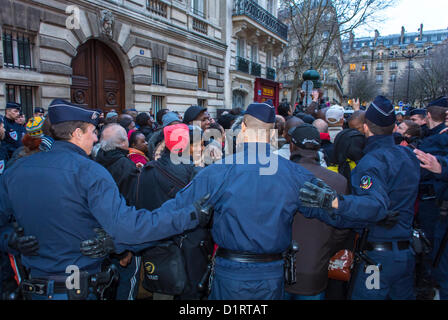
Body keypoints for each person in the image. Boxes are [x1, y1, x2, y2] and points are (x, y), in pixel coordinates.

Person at [0, 99, 211, 300]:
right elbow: (130, 229)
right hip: (80, 288)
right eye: (92, 132)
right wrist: (189, 215)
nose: (95, 138)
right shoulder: (89, 171)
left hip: (36, 288)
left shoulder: (16, 169)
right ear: (76, 133)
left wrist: (11, 239)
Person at [300, 95, 421, 300]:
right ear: (393, 127)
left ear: (366, 128)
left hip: (377, 261)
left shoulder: (371, 163)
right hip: (405, 254)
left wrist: (332, 201)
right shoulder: (408, 155)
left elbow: (375, 206)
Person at [135, 123, 210, 300]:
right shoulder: (194, 171)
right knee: (190, 292)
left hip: (158, 242)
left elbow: (139, 206)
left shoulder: (147, 170)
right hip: (189, 245)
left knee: (163, 291)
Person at [285, 124, 348, 300]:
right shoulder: (338, 181)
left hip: (277, 267)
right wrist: (325, 248)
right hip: (315, 266)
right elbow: (342, 228)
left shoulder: (278, 176)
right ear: (318, 148)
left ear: (292, 146)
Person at [414, 97, 448, 299]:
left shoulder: (436, 140)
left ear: (428, 115)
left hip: (434, 203)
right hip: (437, 203)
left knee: (434, 253)